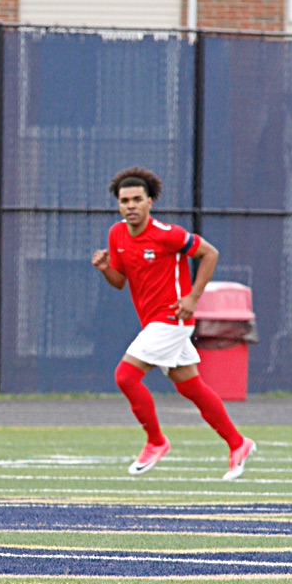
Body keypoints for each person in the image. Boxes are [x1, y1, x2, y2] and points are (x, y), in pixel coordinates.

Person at [92, 166, 256, 480]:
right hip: (153, 323)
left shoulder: (168, 235)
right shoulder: (116, 234)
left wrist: (194, 298)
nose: (130, 206)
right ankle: (238, 443)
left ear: (150, 202)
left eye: (137, 199)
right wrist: (104, 268)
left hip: (172, 319)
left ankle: (156, 441)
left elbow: (210, 253)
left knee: (125, 377)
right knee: (191, 386)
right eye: (124, 200)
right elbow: (119, 282)